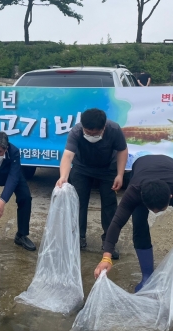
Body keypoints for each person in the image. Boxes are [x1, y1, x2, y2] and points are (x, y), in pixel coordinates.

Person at [95, 154, 173, 295]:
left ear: (170, 198)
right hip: (141, 168)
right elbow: (116, 223)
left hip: (170, 167)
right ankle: (147, 277)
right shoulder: (134, 192)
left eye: (161, 210)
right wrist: (106, 257)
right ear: (143, 199)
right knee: (139, 225)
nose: (156, 213)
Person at [56, 108, 128, 256]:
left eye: (95, 134)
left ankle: (109, 242)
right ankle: (78, 237)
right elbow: (68, 155)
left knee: (109, 204)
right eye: (88, 132)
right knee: (78, 202)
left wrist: (120, 174)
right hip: (82, 168)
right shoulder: (76, 131)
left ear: (103, 127)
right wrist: (63, 176)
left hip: (107, 169)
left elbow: (122, 150)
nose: (91, 136)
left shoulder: (114, 129)